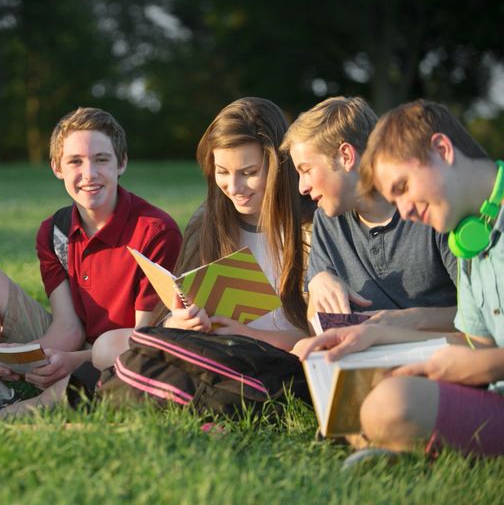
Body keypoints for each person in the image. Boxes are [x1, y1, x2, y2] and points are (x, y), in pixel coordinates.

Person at [0, 107, 182, 427]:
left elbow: (143, 339)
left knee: (60, 396)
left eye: (102, 160)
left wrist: (71, 361)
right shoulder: (56, 232)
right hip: (78, 348)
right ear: (57, 167)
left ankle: (21, 410)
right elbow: (68, 326)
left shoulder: (155, 231)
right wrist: (27, 357)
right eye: (75, 161)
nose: (89, 173)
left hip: (125, 355)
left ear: (121, 163)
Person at [296, 99, 504, 457]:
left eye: (403, 186)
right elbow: (475, 341)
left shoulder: (453, 225)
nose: (405, 210)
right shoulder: (468, 236)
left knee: (389, 406)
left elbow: (479, 355)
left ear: (442, 150)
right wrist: (374, 335)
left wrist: (477, 365)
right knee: (378, 400)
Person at [92, 97, 313, 370]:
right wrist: (178, 322)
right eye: (222, 172)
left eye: (249, 172)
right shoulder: (208, 220)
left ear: (279, 165)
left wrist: (246, 335)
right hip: (210, 347)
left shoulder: (308, 228)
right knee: (107, 346)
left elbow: (315, 335)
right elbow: (169, 320)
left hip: (273, 357)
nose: (234, 187)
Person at [283, 96, 457, 330]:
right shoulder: (327, 220)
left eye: (306, 170)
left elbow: (482, 315)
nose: (302, 187)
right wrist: (317, 283)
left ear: (346, 156)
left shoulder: (430, 210)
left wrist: (398, 322)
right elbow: (317, 324)